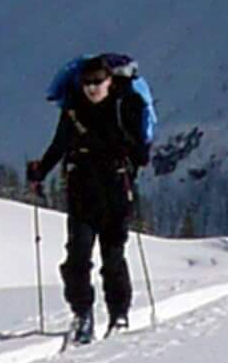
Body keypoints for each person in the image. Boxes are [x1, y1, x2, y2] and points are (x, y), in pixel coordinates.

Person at [27, 54, 152, 341]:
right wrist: (40, 172)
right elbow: (59, 144)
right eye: (87, 83)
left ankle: (117, 314)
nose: (92, 88)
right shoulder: (73, 110)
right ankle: (83, 313)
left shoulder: (126, 106)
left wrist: (121, 145)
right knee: (77, 258)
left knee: (112, 257)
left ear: (110, 80)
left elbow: (142, 155)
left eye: (97, 82)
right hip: (83, 191)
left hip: (114, 191)